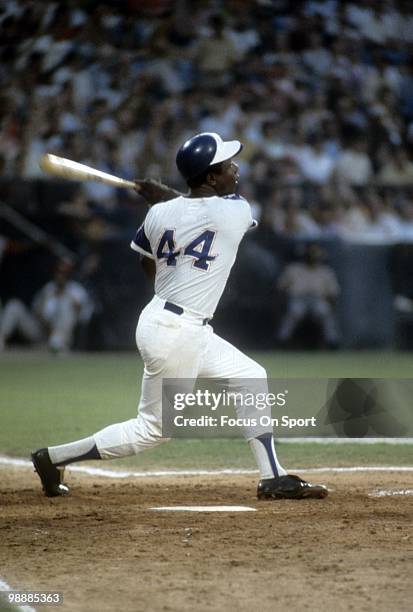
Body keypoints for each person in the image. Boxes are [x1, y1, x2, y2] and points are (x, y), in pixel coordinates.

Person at [31, 132, 328, 501]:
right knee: (153, 430)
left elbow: (148, 260)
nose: (235, 168)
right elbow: (204, 212)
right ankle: (52, 457)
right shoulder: (235, 210)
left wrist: (168, 202)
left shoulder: (158, 214)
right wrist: (169, 197)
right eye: (226, 165)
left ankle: (272, 476)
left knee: (250, 375)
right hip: (178, 332)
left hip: (172, 321)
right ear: (210, 178)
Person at [0, 260, 92, 353]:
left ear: (69, 275)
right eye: (58, 272)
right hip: (42, 330)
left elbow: (84, 315)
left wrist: (67, 297)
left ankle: (57, 343)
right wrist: (42, 311)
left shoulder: (76, 290)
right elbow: (35, 310)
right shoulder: (48, 288)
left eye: (64, 273)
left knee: (66, 307)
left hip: (64, 334)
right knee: (14, 305)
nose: (60, 276)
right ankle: (1, 340)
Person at [277, 243, 340, 347]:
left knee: (324, 312)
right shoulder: (293, 269)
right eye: (310, 252)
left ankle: (332, 342)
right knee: (295, 312)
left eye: (315, 253)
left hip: (318, 300)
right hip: (298, 299)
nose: (312, 256)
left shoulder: (326, 271)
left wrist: (332, 307)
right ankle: (282, 340)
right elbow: (281, 289)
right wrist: (280, 305)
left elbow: (332, 294)